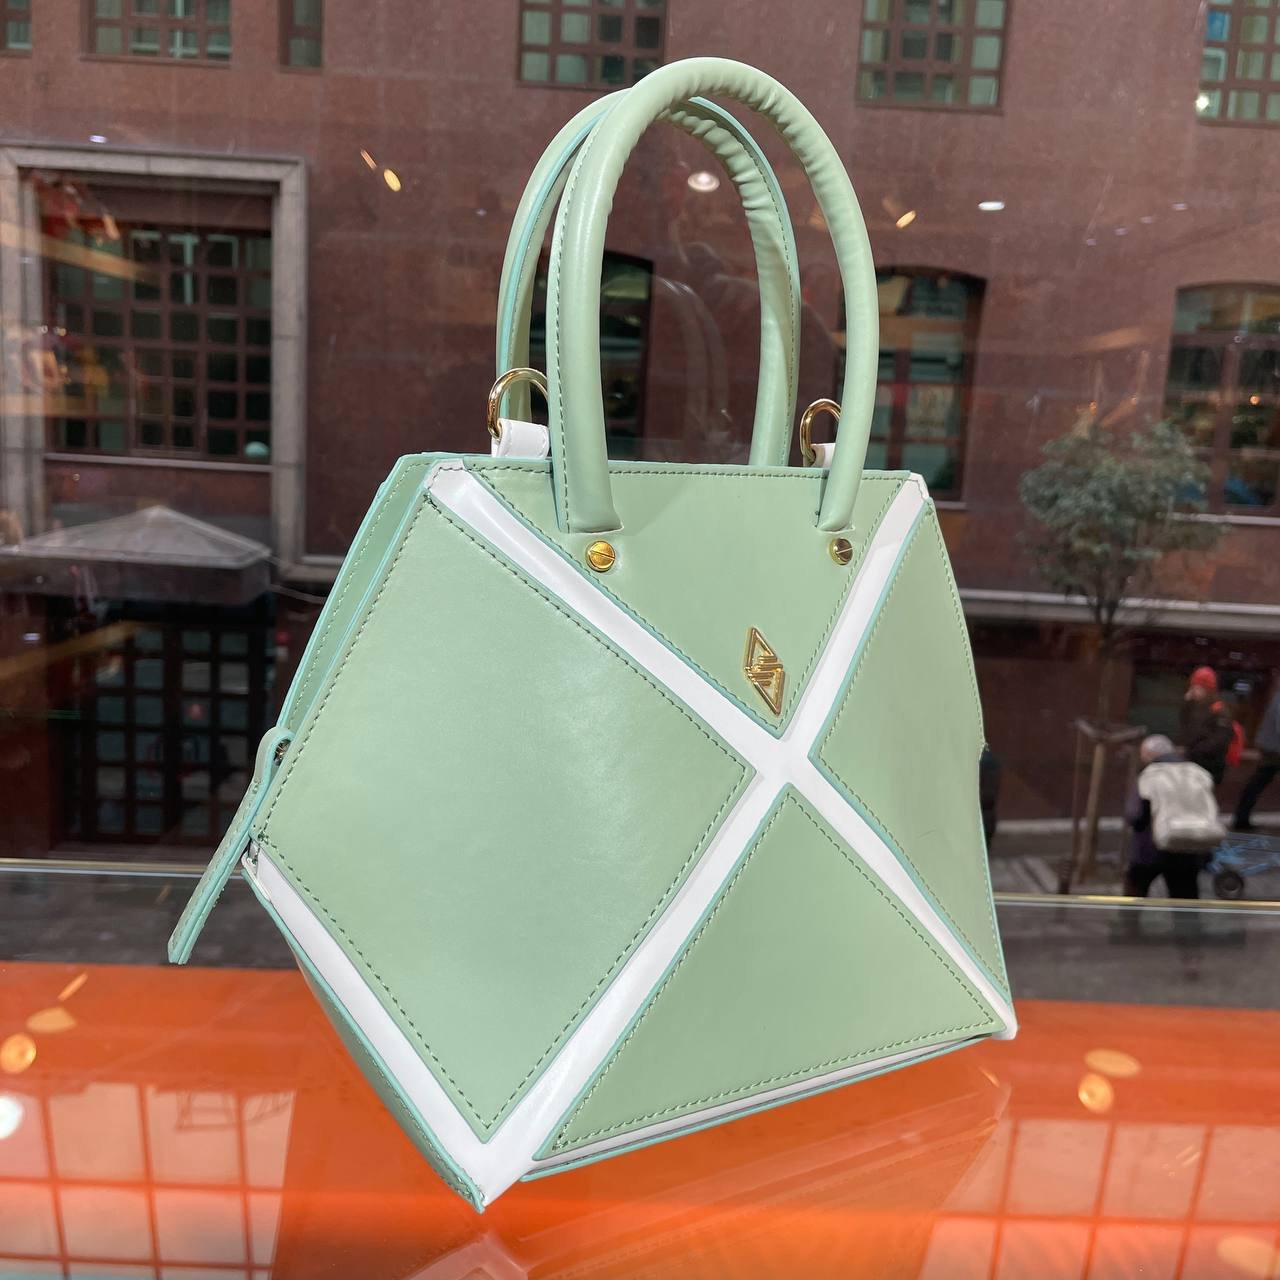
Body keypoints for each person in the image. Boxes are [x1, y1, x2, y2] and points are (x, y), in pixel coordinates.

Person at [1125, 734, 1224, 899]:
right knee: (1185, 902)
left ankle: (1131, 917)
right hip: (1191, 847)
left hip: (1150, 851)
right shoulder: (1198, 773)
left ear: (1148, 755)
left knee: (1134, 897)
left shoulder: (1149, 775)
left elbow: (1135, 815)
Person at [1176, 666, 1235, 786]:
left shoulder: (1219, 710)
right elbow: (1184, 723)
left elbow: (1220, 740)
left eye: (1197, 688)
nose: (1193, 691)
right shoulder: (1194, 705)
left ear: (1208, 689)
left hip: (1209, 763)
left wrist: (1193, 751)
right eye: (1192, 687)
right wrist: (1186, 702)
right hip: (1193, 758)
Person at [1233, 684, 1280, 832]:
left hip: (1271, 746)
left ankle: (1241, 817)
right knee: (1259, 781)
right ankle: (1241, 818)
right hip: (1274, 748)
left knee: (1258, 781)